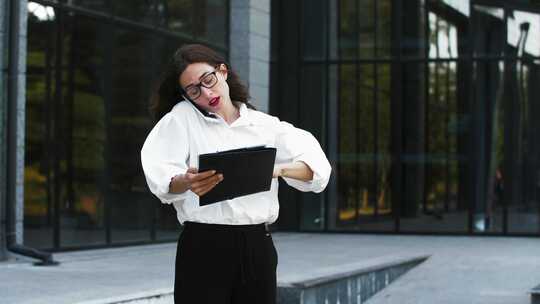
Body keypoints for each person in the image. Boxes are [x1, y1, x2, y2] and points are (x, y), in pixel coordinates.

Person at [140, 44, 331, 304]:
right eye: (194, 90)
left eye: (209, 80)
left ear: (223, 72)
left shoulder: (264, 125)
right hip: (203, 246)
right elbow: (160, 173)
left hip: (257, 246)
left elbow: (317, 169)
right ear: (185, 95)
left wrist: (272, 170)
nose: (206, 93)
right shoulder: (181, 119)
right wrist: (186, 181)